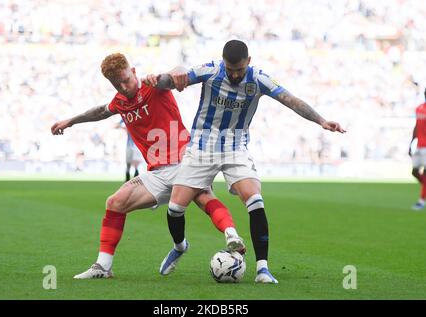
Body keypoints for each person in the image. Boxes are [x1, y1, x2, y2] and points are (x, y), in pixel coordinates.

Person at [144, 40, 346, 284]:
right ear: (223, 62)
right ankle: (179, 246)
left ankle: (263, 269)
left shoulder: (259, 79)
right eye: (230, 69)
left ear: (248, 62)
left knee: (255, 199)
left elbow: (291, 101)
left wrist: (321, 120)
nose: (235, 74)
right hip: (201, 147)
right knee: (175, 209)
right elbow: (173, 80)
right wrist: (161, 78)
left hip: (235, 148)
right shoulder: (210, 71)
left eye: (239, 69)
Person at [50, 53, 245, 279]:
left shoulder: (154, 85)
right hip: (158, 172)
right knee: (115, 202)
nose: (123, 87)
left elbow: (176, 71)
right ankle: (103, 267)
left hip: (186, 160)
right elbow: (100, 111)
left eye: (126, 80)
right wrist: (71, 121)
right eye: (117, 84)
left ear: (133, 71)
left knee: (202, 197)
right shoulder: (120, 102)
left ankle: (232, 236)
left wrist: (176, 70)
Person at [409, 88, 426, 210]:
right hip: (419, 145)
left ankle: (421, 201)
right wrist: (411, 142)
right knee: (414, 172)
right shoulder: (419, 108)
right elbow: (416, 125)